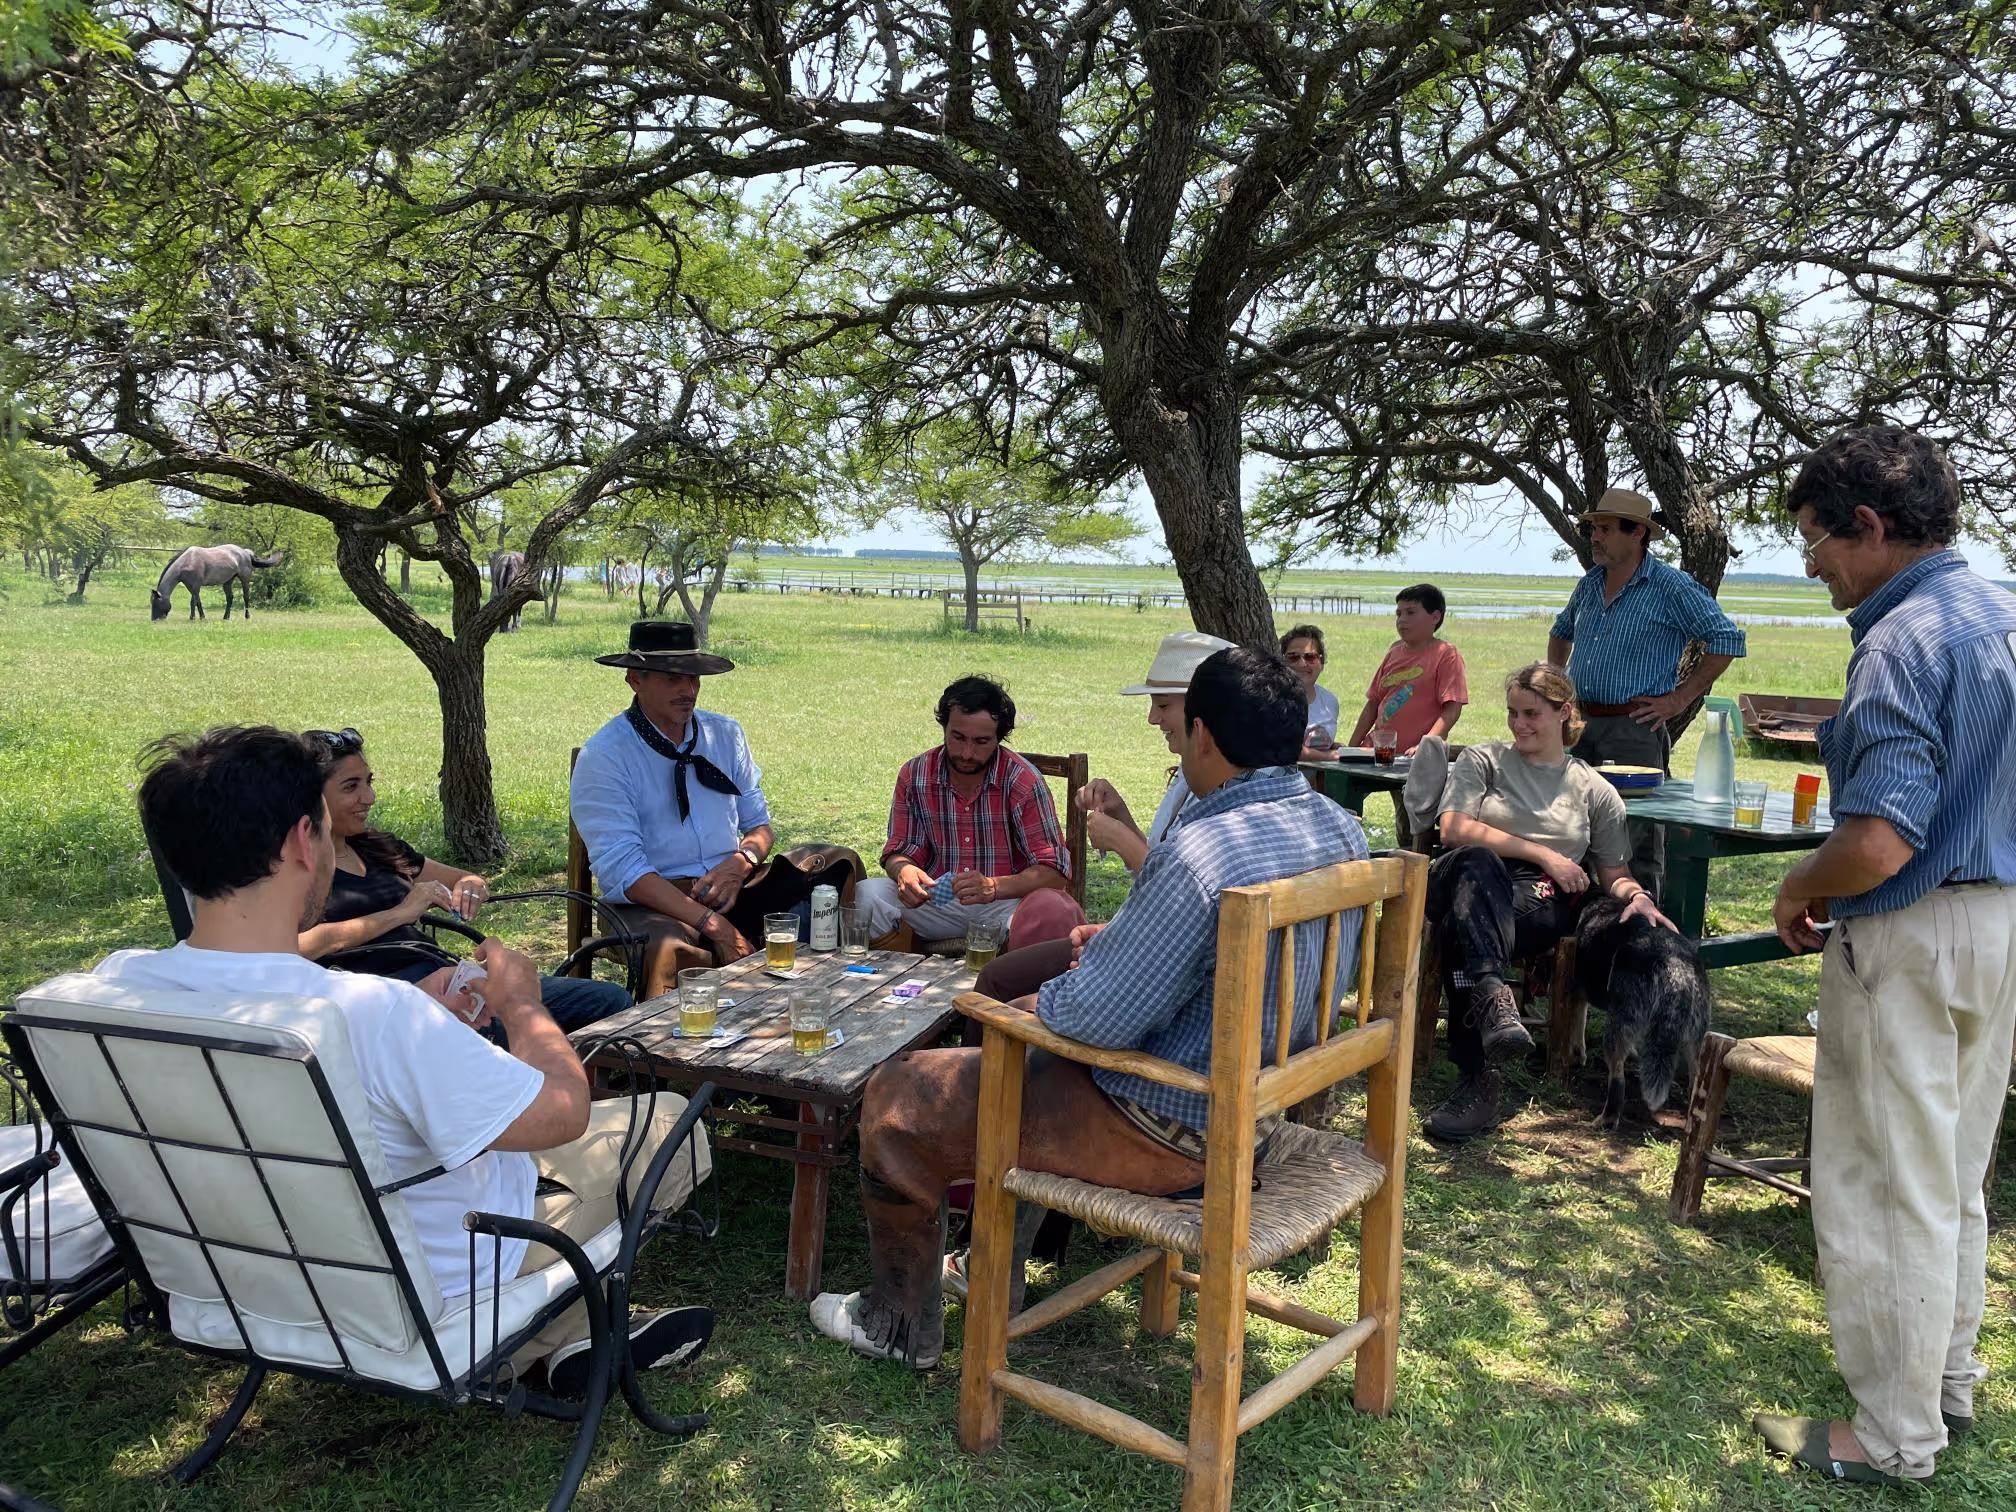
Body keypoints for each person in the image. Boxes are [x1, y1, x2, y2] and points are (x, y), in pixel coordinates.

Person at [93, 726, 714, 1394]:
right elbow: (561, 1115)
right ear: (306, 840)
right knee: (675, 1125)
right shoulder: (370, 1012)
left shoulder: (104, 991)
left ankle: (566, 1340)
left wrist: (434, 1041)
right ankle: (539, 1340)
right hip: (425, 1292)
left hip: (238, 1276)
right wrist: (521, 1004)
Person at [809, 647, 1370, 1367]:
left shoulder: (1200, 854)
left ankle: (895, 1320)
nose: (1154, 721)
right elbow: (1246, 961)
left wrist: (1053, 996)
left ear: (1203, 735)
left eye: (1171, 715)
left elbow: (1095, 1019)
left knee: (900, 1093)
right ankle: (986, 1269)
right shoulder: (1337, 827)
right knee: (1018, 1044)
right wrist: (1126, 940)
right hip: (1253, 1106)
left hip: (1163, 1128)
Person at [1752, 427, 2016, 1488]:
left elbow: (1877, 840)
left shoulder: (1903, 639)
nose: (1812, 566)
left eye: (1816, 542)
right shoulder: (2003, 612)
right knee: (1953, 1172)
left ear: (1868, 526)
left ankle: (1894, 1436)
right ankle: (1944, 1380)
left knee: (1876, 1182)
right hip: (1998, 923)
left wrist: (1795, 885)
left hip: (1908, 932)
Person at [1420, 663, 1672, 1145]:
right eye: (1513, 713)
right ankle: (1493, 1000)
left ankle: (1476, 1076)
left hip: (1532, 899)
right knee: (1476, 861)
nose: (1519, 724)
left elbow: (1613, 873)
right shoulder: (1483, 760)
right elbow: (1452, 829)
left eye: (1531, 713)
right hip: (1464, 875)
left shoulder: (1593, 789)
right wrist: (1544, 854)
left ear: (1564, 714)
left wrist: (1637, 897)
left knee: (1462, 928)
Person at [570, 621, 865, 994]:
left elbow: (759, 825)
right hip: (654, 900)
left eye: (693, 677)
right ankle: (678, 1045)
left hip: (731, 883)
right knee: (669, 950)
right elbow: (627, 873)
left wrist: (740, 865)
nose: (687, 689)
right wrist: (713, 924)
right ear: (634, 680)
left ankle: (813, 988)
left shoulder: (724, 734)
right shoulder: (606, 756)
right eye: (671, 678)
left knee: (834, 863)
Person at [299, 726, 629, 1035]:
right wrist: (401, 913)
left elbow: (465, 878)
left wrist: (471, 886)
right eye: (351, 787)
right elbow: (295, 948)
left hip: (452, 977)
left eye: (369, 782)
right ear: (312, 796)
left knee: (610, 1001)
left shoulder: (377, 847)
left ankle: (595, 1086)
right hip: (398, 1005)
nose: (369, 797)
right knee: (507, 1031)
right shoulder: (296, 870)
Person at [1545, 488, 1747, 901]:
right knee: (1572, 829)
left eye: (1604, 529)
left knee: (1633, 839)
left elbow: (1727, 640)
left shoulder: (1671, 587)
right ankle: (1578, 931)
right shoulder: (1590, 583)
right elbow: (1561, 632)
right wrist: (1556, 688)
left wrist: (1678, 699)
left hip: (1633, 729)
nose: (1594, 538)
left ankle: (1642, 933)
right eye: (1593, 529)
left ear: (1637, 532)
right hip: (1581, 724)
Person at [853, 676, 1085, 951]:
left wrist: (993, 887)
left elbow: (1054, 872)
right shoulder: (915, 774)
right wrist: (903, 869)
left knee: (1052, 910)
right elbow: (900, 848)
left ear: (1000, 738)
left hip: (1005, 905)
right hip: (937, 902)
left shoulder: (1022, 781)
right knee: (866, 895)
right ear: (944, 726)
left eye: (981, 742)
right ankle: (910, 966)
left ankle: (1010, 976)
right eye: (958, 737)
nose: (967, 752)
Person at [1348, 583, 1469, 754]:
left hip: (1414, 755)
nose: (1402, 619)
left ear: (1435, 617)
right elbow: (1373, 703)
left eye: (1410, 613)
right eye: (1398, 614)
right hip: (1378, 750)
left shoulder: (1446, 655)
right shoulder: (1394, 652)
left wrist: (1425, 746)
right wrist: (1351, 748)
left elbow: (1452, 710)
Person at [1281, 623, 1341, 761]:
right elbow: (1286, 749)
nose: (1302, 664)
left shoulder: (1329, 701)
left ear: (1322, 662)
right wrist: (1330, 756)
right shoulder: (1274, 699)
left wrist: (1332, 747)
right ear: (1283, 662)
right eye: (1293, 657)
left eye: (1310, 657)